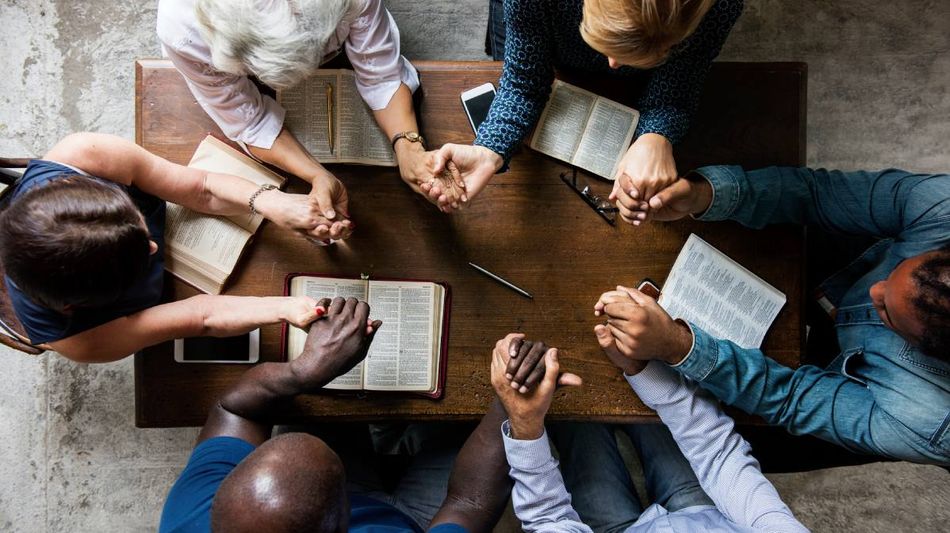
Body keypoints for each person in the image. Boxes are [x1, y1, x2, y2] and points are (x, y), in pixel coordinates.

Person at [594, 165, 950, 465]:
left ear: (925, 348)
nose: (875, 291)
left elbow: (790, 398)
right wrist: (704, 194)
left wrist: (677, 346)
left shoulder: (928, 421)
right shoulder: (943, 209)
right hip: (844, 262)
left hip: (858, 391)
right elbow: (818, 193)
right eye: (894, 271)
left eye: (887, 311)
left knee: (741, 441)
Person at [160, 296, 512, 533]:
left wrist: (304, 371)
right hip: (420, 519)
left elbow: (233, 408)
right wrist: (511, 403)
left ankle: (392, 436)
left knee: (314, 405)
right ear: (345, 518)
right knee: (470, 419)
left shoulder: (191, 516)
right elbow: (468, 502)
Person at [0, 133, 336, 363]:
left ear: (78, 185)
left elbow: (202, 187)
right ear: (73, 306)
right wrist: (287, 307)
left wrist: (271, 201)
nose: (151, 246)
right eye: (138, 257)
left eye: (137, 226)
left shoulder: (82, 156)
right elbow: (200, 317)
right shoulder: (80, 341)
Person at [427, 0, 743, 216]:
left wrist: (656, 136)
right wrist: (488, 149)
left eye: (650, 50)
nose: (613, 64)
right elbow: (524, 81)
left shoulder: (718, 8)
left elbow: (680, 83)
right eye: (605, 40)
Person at [157, 0, 464, 220]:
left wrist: (408, 145)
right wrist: (317, 175)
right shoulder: (181, 31)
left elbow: (381, 72)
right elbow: (249, 121)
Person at [491, 332, 808, 532]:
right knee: (640, 370)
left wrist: (526, 425)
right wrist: (642, 370)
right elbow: (719, 455)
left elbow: (550, 521)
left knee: (570, 403)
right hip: (703, 509)